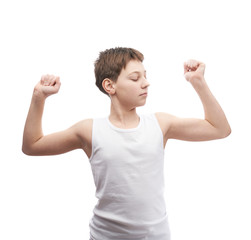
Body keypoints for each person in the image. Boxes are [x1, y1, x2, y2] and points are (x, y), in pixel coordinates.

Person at [22, 47, 231, 240]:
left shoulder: (161, 124)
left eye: (145, 76)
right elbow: (32, 145)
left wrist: (198, 83)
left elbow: (219, 129)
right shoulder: (89, 130)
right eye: (135, 78)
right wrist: (38, 97)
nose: (146, 83)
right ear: (109, 85)